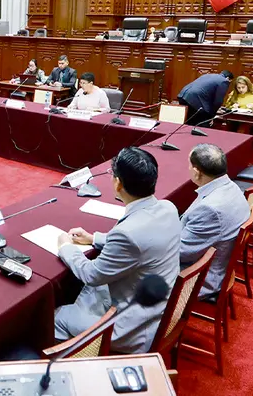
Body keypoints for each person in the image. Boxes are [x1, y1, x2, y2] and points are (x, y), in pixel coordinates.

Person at [54, 147, 180, 353]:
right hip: (157, 309)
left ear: (118, 183)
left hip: (130, 329)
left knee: (56, 317)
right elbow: (144, 243)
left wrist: (66, 247)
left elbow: (92, 275)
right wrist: (94, 238)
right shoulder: (168, 207)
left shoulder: (127, 234)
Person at [181, 144, 251, 300]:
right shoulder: (230, 187)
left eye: (189, 165)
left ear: (197, 172)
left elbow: (180, 253)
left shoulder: (210, 210)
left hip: (198, 278)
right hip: (215, 263)